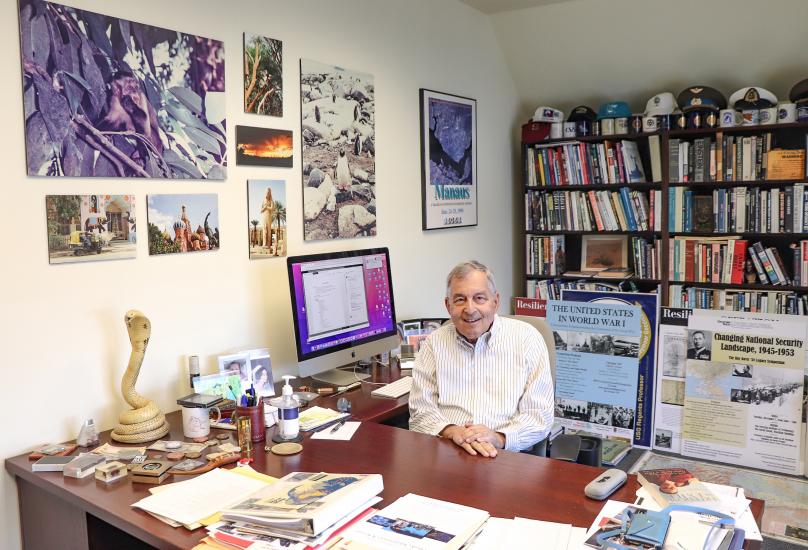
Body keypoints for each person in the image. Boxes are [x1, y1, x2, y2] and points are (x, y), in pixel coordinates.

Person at [409, 260, 554, 458]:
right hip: (449, 452)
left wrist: (499, 437)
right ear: (448, 305)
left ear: (495, 302)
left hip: (507, 456)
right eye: (460, 299)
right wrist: (452, 431)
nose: (470, 309)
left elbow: (539, 417)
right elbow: (420, 412)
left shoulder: (527, 339)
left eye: (479, 298)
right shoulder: (434, 343)